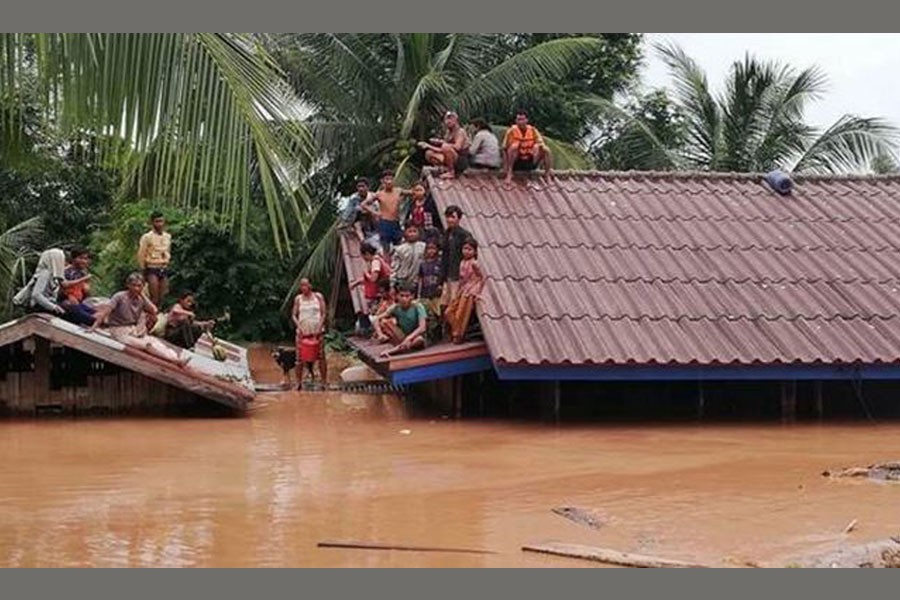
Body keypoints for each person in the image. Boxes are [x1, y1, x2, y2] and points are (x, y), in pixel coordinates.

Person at [91, 272, 189, 367]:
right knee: (147, 345)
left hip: (133, 329)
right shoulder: (119, 296)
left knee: (155, 342)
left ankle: (176, 358)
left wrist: (142, 295)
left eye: (139, 286)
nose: (136, 288)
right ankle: (175, 360)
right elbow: (106, 312)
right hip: (119, 330)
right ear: (128, 285)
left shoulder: (141, 299)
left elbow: (154, 310)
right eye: (133, 285)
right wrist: (94, 327)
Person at [444, 238, 485, 344]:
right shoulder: (462, 262)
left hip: (470, 291)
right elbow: (461, 279)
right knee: (448, 312)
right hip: (463, 289)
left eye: (469, 249)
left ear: (475, 252)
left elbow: (481, 278)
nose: (466, 251)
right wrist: (457, 291)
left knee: (461, 313)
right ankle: (457, 332)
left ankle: (458, 335)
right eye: (465, 248)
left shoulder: (474, 263)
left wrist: (477, 292)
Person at [291, 278, 328, 388]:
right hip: (302, 333)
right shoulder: (298, 299)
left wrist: (320, 327)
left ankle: (324, 381)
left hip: (317, 332)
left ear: (310, 285)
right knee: (299, 358)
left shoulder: (318, 297)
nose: (303, 288)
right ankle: (298, 382)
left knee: (321, 356)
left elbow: (324, 313)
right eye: (302, 285)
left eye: (305, 285)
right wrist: (299, 326)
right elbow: (293, 315)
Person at [375, 285, 428, 357]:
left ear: (412, 296)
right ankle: (401, 346)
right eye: (402, 296)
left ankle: (395, 350)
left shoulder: (418, 306)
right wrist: (380, 334)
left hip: (415, 336)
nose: (404, 299)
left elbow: (422, 327)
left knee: (419, 340)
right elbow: (377, 319)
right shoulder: (395, 307)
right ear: (397, 296)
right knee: (384, 322)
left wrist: (409, 338)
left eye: (407, 296)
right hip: (402, 336)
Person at [502, 109, 553, 183]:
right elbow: (504, 148)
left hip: (530, 159)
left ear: (527, 120)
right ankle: (509, 173)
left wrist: (537, 146)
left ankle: (547, 175)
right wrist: (505, 167)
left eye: (522, 119)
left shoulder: (533, 130)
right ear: (516, 121)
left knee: (546, 149)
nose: (520, 122)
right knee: (514, 147)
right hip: (517, 161)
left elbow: (541, 143)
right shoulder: (511, 131)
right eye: (518, 119)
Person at [12, 248, 67, 317]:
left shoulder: (51, 274)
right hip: (39, 307)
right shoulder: (45, 273)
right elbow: (36, 295)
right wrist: (53, 307)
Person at [418, 111, 470, 179]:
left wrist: (443, 143)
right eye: (447, 119)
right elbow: (443, 149)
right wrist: (428, 146)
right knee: (429, 153)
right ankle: (444, 168)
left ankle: (451, 172)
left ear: (456, 120)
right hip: (450, 157)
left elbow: (457, 147)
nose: (448, 121)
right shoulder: (448, 133)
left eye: (450, 119)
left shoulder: (460, 131)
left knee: (445, 147)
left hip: (460, 160)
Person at [137, 210, 172, 307]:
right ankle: (151, 313)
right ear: (152, 223)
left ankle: (160, 313)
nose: (160, 224)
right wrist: (143, 270)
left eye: (161, 221)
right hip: (152, 267)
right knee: (154, 297)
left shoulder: (167, 236)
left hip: (163, 267)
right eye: (157, 221)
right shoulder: (147, 237)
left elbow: (168, 251)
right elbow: (141, 254)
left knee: (163, 296)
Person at [439, 205, 472, 309]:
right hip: (447, 273)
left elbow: (470, 255)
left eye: (453, 217)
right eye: (448, 217)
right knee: (444, 302)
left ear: (459, 218)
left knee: (454, 302)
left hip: (458, 274)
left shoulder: (464, 235)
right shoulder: (446, 233)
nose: (450, 220)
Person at [368, 170, 405, 252]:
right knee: (386, 247)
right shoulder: (379, 194)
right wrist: (375, 213)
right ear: (382, 181)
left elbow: (412, 192)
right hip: (384, 222)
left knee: (398, 247)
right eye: (387, 179)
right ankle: (386, 259)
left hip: (396, 222)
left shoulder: (398, 191)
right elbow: (364, 204)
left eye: (391, 179)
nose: (389, 182)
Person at [60, 246, 96, 326]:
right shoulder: (66, 271)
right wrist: (69, 295)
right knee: (91, 319)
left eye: (85, 259)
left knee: (97, 314)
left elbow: (86, 292)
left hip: (78, 302)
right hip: (65, 302)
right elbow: (63, 286)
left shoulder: (82, 273)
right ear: (73, 259)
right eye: (81, 258)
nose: (84, 261)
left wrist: (86, 288)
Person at [417, 239, 443, 342]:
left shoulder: (440, 263)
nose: (431, 251)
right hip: (426, 293)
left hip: (437, 293)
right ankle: (432, 335)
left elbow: (443, 277)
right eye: (429, 249)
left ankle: (441, 334)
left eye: (433, 248)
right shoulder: (423, 264)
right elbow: (420, 279)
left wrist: (441, 286)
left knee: (439, 314)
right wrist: (419, 294)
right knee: (429, 315)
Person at [390, 224, 425, 292]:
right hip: (402, 280)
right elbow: (394, 267)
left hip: (418, 280)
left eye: (414, 231)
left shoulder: (423, 247)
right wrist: (392, 283)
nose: (412, 234)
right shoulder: (400, 249)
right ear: (405, 233)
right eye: (410, 231)